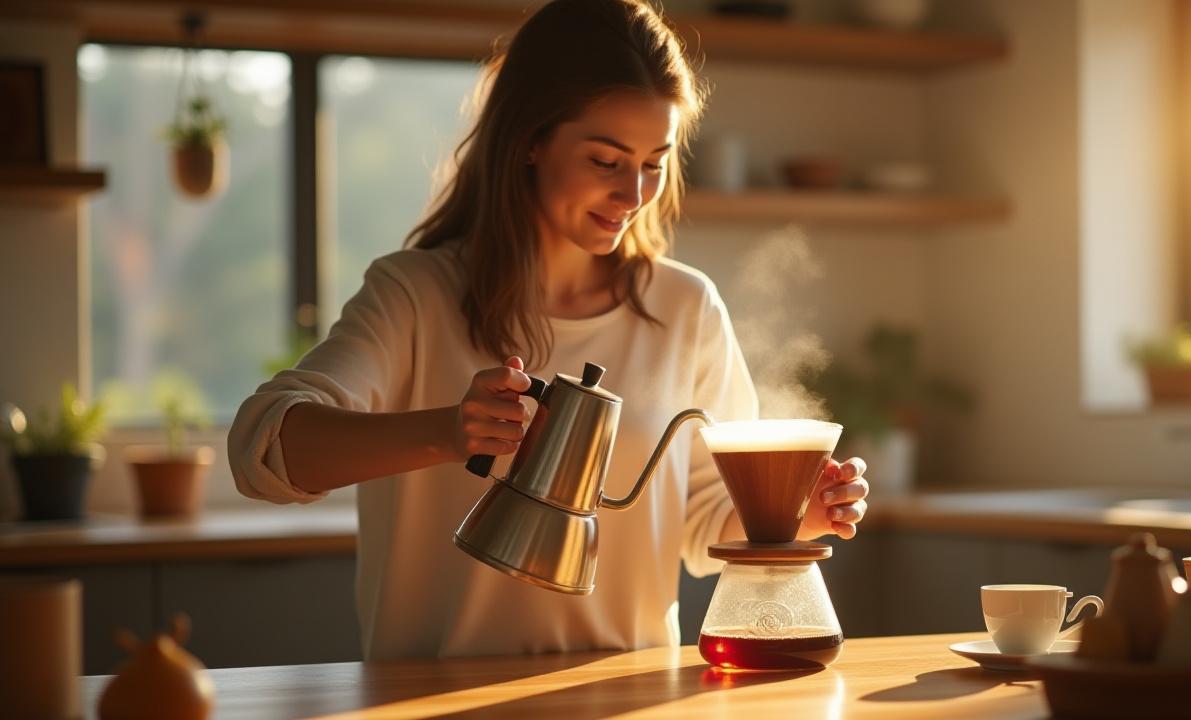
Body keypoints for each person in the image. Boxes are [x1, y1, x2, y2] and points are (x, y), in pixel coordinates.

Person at [228, 0, 869, 661]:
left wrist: (799, 512)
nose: (634, 194)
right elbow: (261, 451)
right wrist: (445, 431)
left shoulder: (685, 308)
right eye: (605, 160)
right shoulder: (416, 295)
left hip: (625, 698)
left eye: (654, 162)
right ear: (530, 139)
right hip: (430, 699)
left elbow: (706, 522)